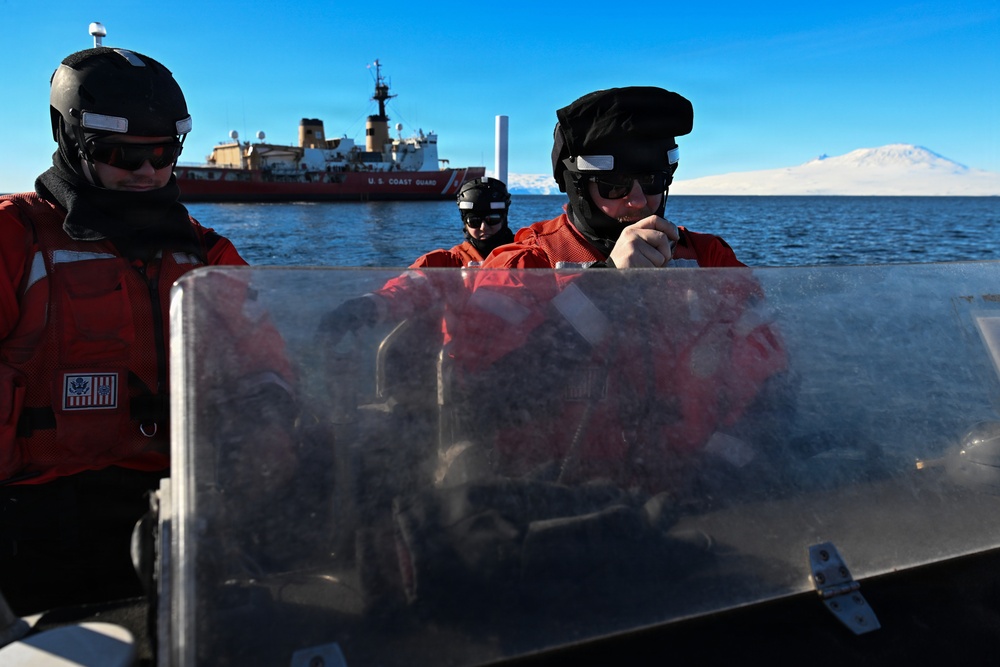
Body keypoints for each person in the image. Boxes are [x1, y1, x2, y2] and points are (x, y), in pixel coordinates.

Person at [0, 46, 293, 614]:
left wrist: (269, 413)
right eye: (121, 155)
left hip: (178, 504)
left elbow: (267, 358)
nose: (148, 173)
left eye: (163, 155)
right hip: (36, 515)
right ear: (69, 139)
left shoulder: (206, 254)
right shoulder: (16, 239)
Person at [447, 86, 793, 497]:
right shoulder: (525, 265)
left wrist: (736, 464)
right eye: (613, 186)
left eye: (652, 180)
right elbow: (488, 400)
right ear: (577, 186)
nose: (638, 200)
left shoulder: (708, 258)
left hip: (699, 484)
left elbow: (773, 378)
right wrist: (606, 283)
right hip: (569, 494)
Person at [321, 176, 514, 338]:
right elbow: (409, 287)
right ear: (464, 221)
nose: (483, 228)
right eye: (474, 220)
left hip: (520, 361)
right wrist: (367, 305)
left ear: (504, 217)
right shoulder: (445, 263)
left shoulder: (526, 256)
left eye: (493, 219)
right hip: (463, 363)